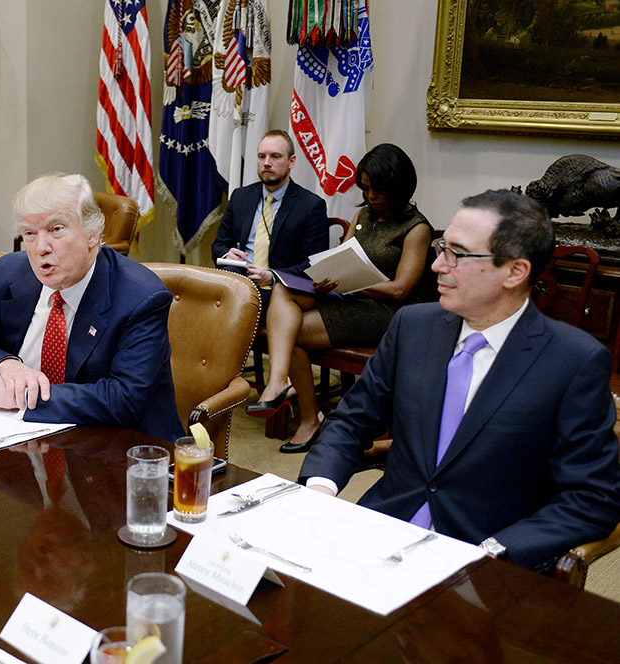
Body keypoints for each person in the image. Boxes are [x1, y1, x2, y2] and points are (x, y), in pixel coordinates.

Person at [299, 189, 620, 573]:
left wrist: (497, 549)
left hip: (484, 562)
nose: (437, 265)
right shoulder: (413, 327)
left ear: (515, 271)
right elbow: (353, 420)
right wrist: (320, 487)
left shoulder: (573, 361)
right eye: (441, 248)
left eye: (457, 254)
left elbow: (593, 497)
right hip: (382, 530)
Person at [0, 173, 184, 441]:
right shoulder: (6, 274)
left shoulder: (140, 297)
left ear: (93, 234)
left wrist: (24, 397)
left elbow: (125, 399)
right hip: (19, 441)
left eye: (56, 229)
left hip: (121, 449)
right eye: (30, 233)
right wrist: (6, 365)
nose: (41, 248)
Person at [249, 143, 434, 454]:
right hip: (348, 297)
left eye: (378, 190)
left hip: (387, 311)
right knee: (283, 289)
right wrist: (325, 277)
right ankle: (281, 383)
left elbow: (401, 290)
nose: (371, 196)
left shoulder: (417, 228)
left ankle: (308, 418)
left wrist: (352, 285)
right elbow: (340, 258)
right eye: (365, 188)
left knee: (288, 333)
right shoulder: (364, 214)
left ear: (398, 187)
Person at [212, 129, 329, 317]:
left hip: (279, 291)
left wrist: (273, 276)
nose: (267, 163)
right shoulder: (241, 197)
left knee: (232, 306)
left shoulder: (310, 206)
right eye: (261, 156)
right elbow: (218, 246)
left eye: (275, 156)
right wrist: (227, 254)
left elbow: (313, 265)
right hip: (239, 280)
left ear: (291, 161)